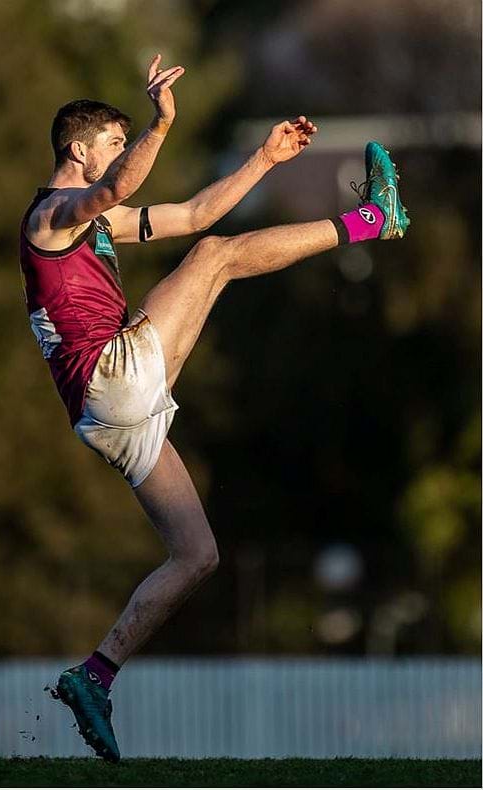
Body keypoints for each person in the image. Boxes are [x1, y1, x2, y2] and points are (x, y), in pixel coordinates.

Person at [22, 56, 409, 762]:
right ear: (78, 149)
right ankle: (372, 220)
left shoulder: (98, 223)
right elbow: (115, 188)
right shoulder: (52, 216)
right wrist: (163, 122)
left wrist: (265, 159)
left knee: (197, 555)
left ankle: (95, 674)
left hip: (109, 417)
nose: (122, 152)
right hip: (111, 378)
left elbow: (196, 212)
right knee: (214, 259)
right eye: (114, 141)